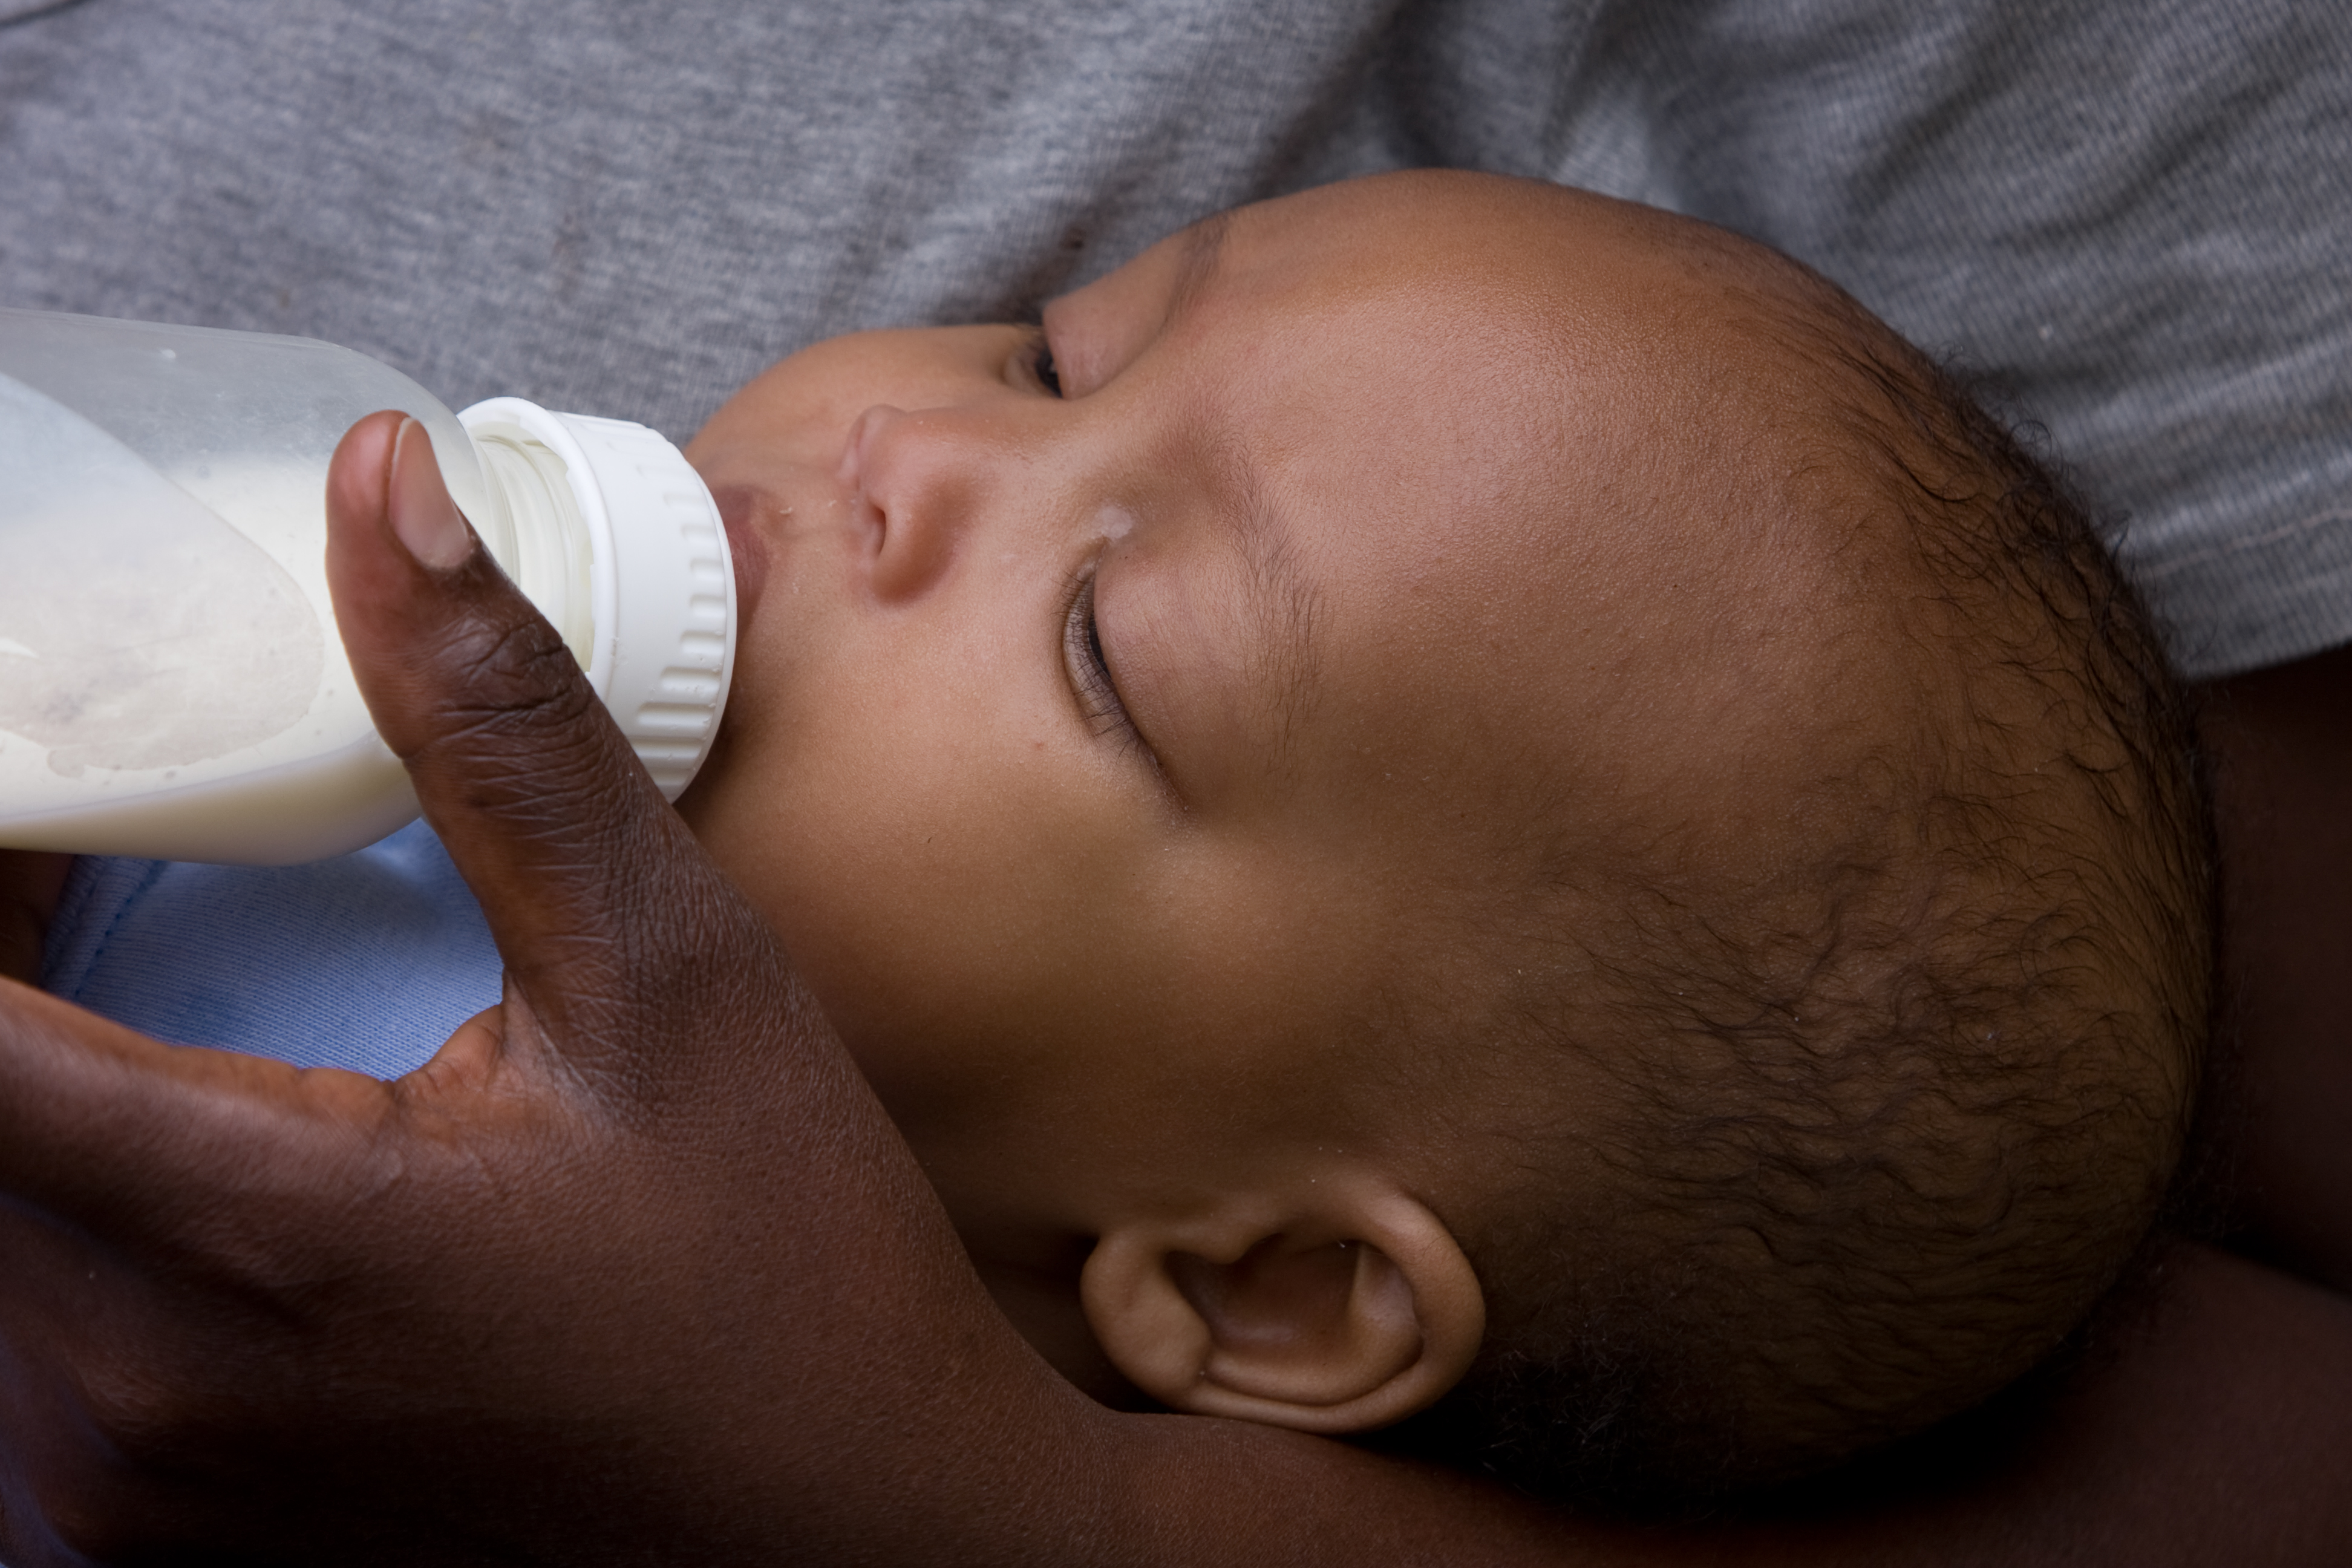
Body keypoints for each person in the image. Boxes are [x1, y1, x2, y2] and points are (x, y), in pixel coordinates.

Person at [1, 0, 2345, 1560]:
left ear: (1275, 1290)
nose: (909, 452)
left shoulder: (680, 1456)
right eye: (1050, 353)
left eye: (1112, 647)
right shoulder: (363, 680)